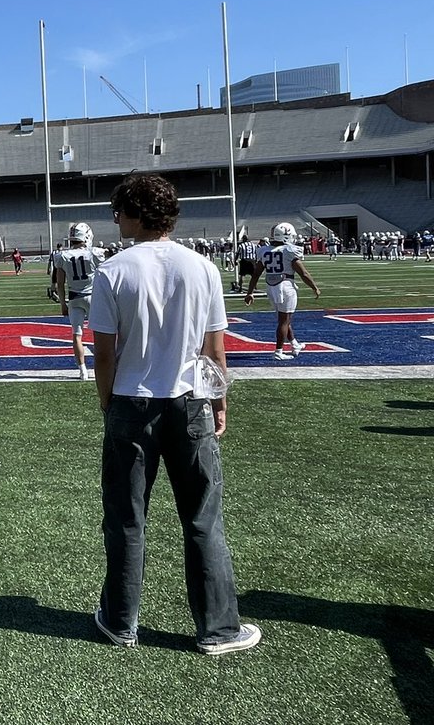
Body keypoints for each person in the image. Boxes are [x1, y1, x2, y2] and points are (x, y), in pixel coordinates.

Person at [89, 173, 259, 656]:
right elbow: (214, 350)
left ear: (137, 212)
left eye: (119, 209)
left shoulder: (114, 271)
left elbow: (104, 355)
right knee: (203, 519)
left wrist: (109, 403)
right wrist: (219, 398)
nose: (116, 218)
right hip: (189, 401)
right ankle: (218, 628)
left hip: (131, 402)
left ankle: (120, 622)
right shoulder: (202, 266)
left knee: (126, 518)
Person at [243, 222, 320, 360]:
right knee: (284, 321)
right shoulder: (288, 251)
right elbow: (304, 273)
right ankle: (278, 352)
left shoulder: (264, 250)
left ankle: (294, 344)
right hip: (285, 285)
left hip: (271, 286)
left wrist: (250, 292)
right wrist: (314, 287)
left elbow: (256, 274)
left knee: (284, 319)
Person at [54, 223, 106, 381]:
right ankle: (101, 368)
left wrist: (63, 303)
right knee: (100, 335)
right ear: (87, 236)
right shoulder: (94, 253)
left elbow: (60, 284)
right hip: (93, 297)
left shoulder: (62, 256)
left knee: (77, 335)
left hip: (74, 298)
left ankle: (82, 371)